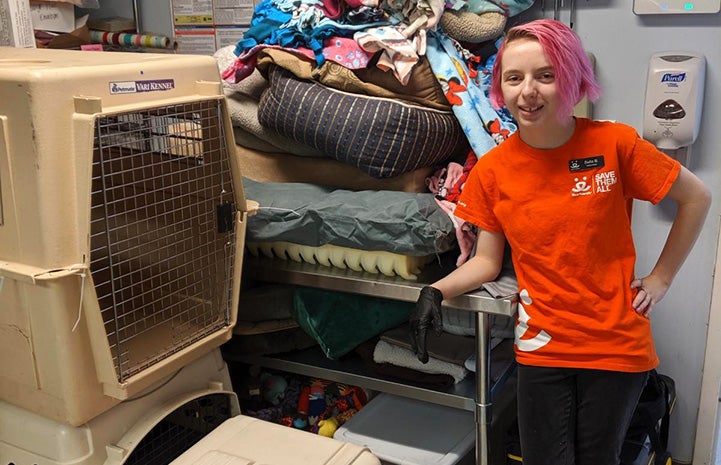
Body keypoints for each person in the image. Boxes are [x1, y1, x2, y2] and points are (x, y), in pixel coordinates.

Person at [409, 18, 711, 465]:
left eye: (545, 75)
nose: (527, 91)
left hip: (614, 343)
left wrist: (662, 279)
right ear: (501, 88)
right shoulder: (494, 172)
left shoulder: (614, 143)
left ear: (571, 78)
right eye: (514, 78)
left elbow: (697, 198)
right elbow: (488, 262)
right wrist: (435, 291)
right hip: (542, 345)